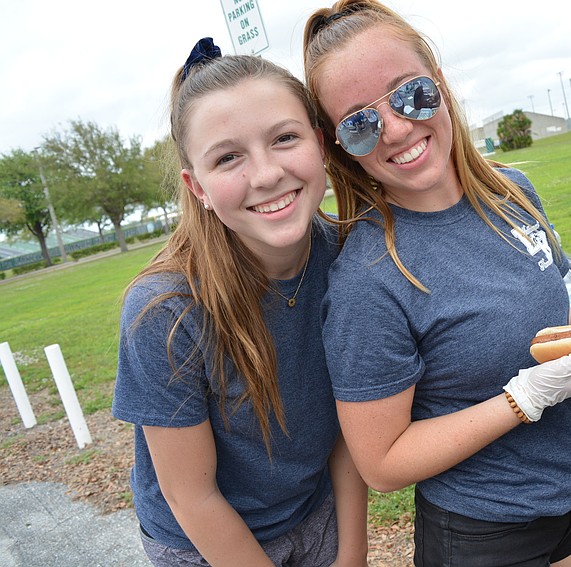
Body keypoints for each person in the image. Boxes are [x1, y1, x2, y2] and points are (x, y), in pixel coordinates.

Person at [302, 3, 571, 566]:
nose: (395, 128)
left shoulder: (513, 193)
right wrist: (522, 399)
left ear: (440, 83)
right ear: (339, 145)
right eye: (360, 122)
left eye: (409, 93)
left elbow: (551, 315)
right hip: (482, 535)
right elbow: (380, 463)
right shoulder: (368, 280)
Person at [112, 38, 368, 567]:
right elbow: (191, 496)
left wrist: (353, 552)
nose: (267, 174)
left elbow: (352, 421)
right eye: (228, 157)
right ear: (196, 185)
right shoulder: (164, 310)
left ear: (321, 145)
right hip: (204, 542)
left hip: (313, 510)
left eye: (284, 138)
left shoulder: (349, 256)